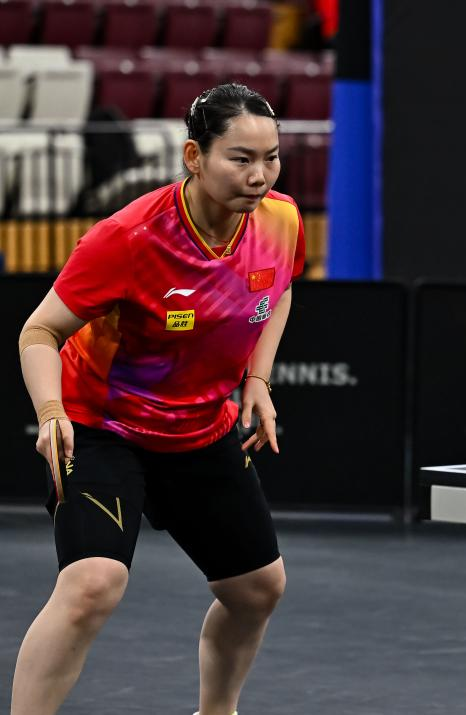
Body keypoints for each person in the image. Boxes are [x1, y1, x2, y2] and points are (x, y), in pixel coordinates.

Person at [13, 83, 305, 715]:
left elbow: (279, 289)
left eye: (271, 158)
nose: (260, 176)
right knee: (92, 584)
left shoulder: (280, 220)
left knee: (257, 589)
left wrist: (258, 379)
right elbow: (38, 332)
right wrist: (50, 414)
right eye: (240, 159)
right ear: (194, 156)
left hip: (201, 427)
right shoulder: (128, 237)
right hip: (103, 426)